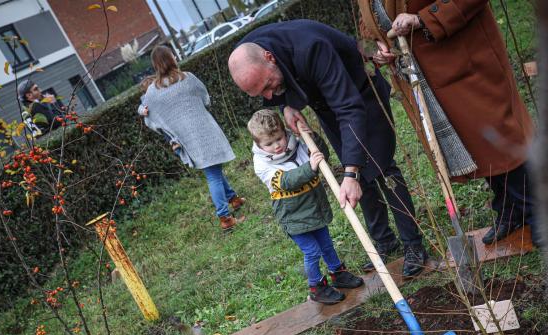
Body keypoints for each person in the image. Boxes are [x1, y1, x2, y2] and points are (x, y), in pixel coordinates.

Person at [228, 20, 428, 278]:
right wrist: (285, 105)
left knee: (381, 168)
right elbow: (275, 89)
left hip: (361, 92)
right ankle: (384, 240)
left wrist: (351, 172)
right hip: (328, 105)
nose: (268, 95)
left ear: (269, 58)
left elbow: (349, 107)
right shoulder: (252, 52)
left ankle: (413, 245)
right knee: (355, 173)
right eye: (261, 93)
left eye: (268, 86)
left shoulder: (310, 48)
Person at [362, 0, 537, 245]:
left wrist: (422, 19)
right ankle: (510, 209)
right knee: (476, 142)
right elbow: (366, 27)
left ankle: (537, 211)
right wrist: (373, 48)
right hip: (426, 79)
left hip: (467, 60)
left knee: (498, 134)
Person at [248, 109, 364, 304]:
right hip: (293, 217)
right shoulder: (261, 164)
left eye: (279, 139)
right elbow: (286, 181)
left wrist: (312, 138)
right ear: (259, 145)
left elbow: (321, 156)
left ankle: (338, 273)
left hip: (315, 208)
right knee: (312, 252)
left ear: (285, 133)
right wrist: (309, 167)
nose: (276, 146)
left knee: (326, 244)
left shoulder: (298, 144)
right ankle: (316, 287)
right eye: (269, 144)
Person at [139, 46, 245, 232]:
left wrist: (142, 110)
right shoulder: (187, 77)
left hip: (186, 139)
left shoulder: (153, 91)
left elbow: (147, 113)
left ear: (155, 65)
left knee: (214, 168)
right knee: (213, 174)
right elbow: (205, 99)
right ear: (172, 58)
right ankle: (225, 217)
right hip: (204, 130)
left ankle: (233, 199)